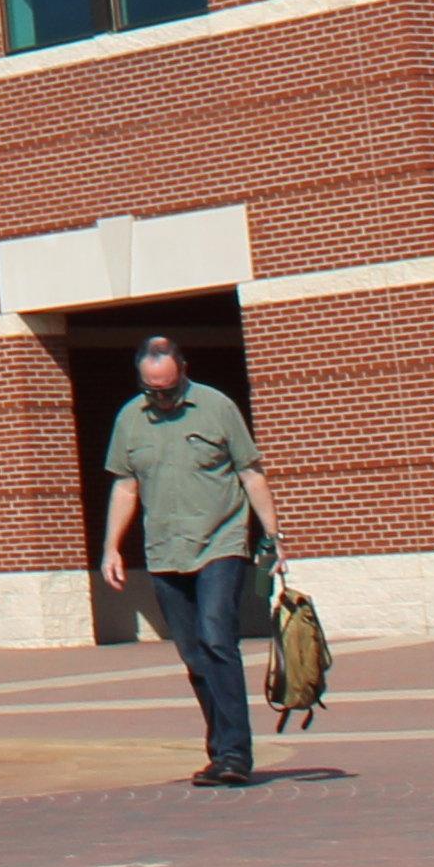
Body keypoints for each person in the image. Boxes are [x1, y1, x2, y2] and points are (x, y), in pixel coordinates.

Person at [97, 333, 280, 785]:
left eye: (169, 388)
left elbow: (250, 473)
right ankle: (219, 751)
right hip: (165, 552)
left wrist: (274, 537)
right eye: (152, 389)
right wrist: (111, 547)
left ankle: (236, 754)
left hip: (221, 543)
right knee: (195, 655)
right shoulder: (130, 419)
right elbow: (125, 485)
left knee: (219, 639)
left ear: (183, 370)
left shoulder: (217, 407)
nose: (161, 397)